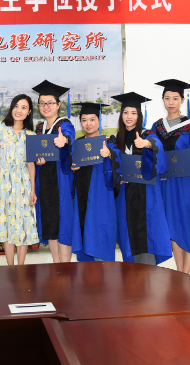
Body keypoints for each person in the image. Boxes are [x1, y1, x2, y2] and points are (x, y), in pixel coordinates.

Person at [103, 92, 172, 266]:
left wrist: (147, 144)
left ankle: (148, 273)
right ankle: (131, 275)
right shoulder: (115, 139)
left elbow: (158, 151)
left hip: (146, 193)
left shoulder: (148, 134)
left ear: (139, 115)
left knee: (147, 233)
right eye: (126, 112)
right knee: (128, 235)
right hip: (125, 195)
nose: (129, 116)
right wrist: (110, 156)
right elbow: (112, 164)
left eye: (133, 113)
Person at [151, 79, 190, 274]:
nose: (171, 102)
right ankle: (179, 270)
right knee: (172, 225)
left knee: (188, 223)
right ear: (163, 100)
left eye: (175, 98)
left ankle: (186, 274)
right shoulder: (157, 126)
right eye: (167, 98)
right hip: (166, 182)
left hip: (186, 183)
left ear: (182, 100)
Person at [0, 94, 39, 265]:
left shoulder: (30, 135)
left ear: (29, 112)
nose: (19, 110)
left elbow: (31, 164)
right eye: (16, 106)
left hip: (23, 182)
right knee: (6, 225)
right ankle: (10, 267)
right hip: (2, 182)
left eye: (23, 107)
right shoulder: (0, 128)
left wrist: (32, 190)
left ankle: (20, 267)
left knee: (22, 225)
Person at [32, 80, 75, 263]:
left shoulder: (64, 124)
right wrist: (37, 160)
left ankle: (65, 266)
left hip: (60, 179)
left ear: (58, 104)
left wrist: (64, 141)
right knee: (49, 220)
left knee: (62, 221)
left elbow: (69, 136)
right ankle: (56, 265)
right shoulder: (39, 128)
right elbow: (35, 152)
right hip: (44, 179)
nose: (46, 106)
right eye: (42, 103)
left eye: (50, 103)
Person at [70, 102, 117, 262]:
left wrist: (109, 155)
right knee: (84, 229)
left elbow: (118, 167)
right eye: (84, 120)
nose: (88, 124)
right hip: (82, 194)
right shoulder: (77, 144)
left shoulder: (109, 143)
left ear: (99, 120)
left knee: (100, 229)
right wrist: (73, 168)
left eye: (92, 119)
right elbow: (71, 169)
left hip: (101, 196)